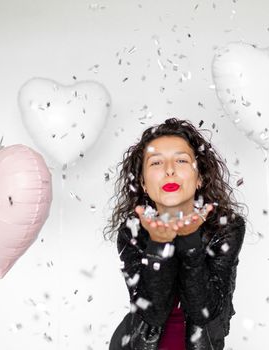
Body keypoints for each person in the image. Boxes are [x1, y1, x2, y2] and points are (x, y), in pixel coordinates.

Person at [104, 118, 248, 350]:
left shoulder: (226, 227)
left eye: (181, 160)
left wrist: (190, 241)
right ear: (142, 182)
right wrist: (159, 244)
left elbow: (205, 311)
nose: (169, 170)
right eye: (156, 163)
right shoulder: (131, 231)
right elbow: (153, 313)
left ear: (200, 177)